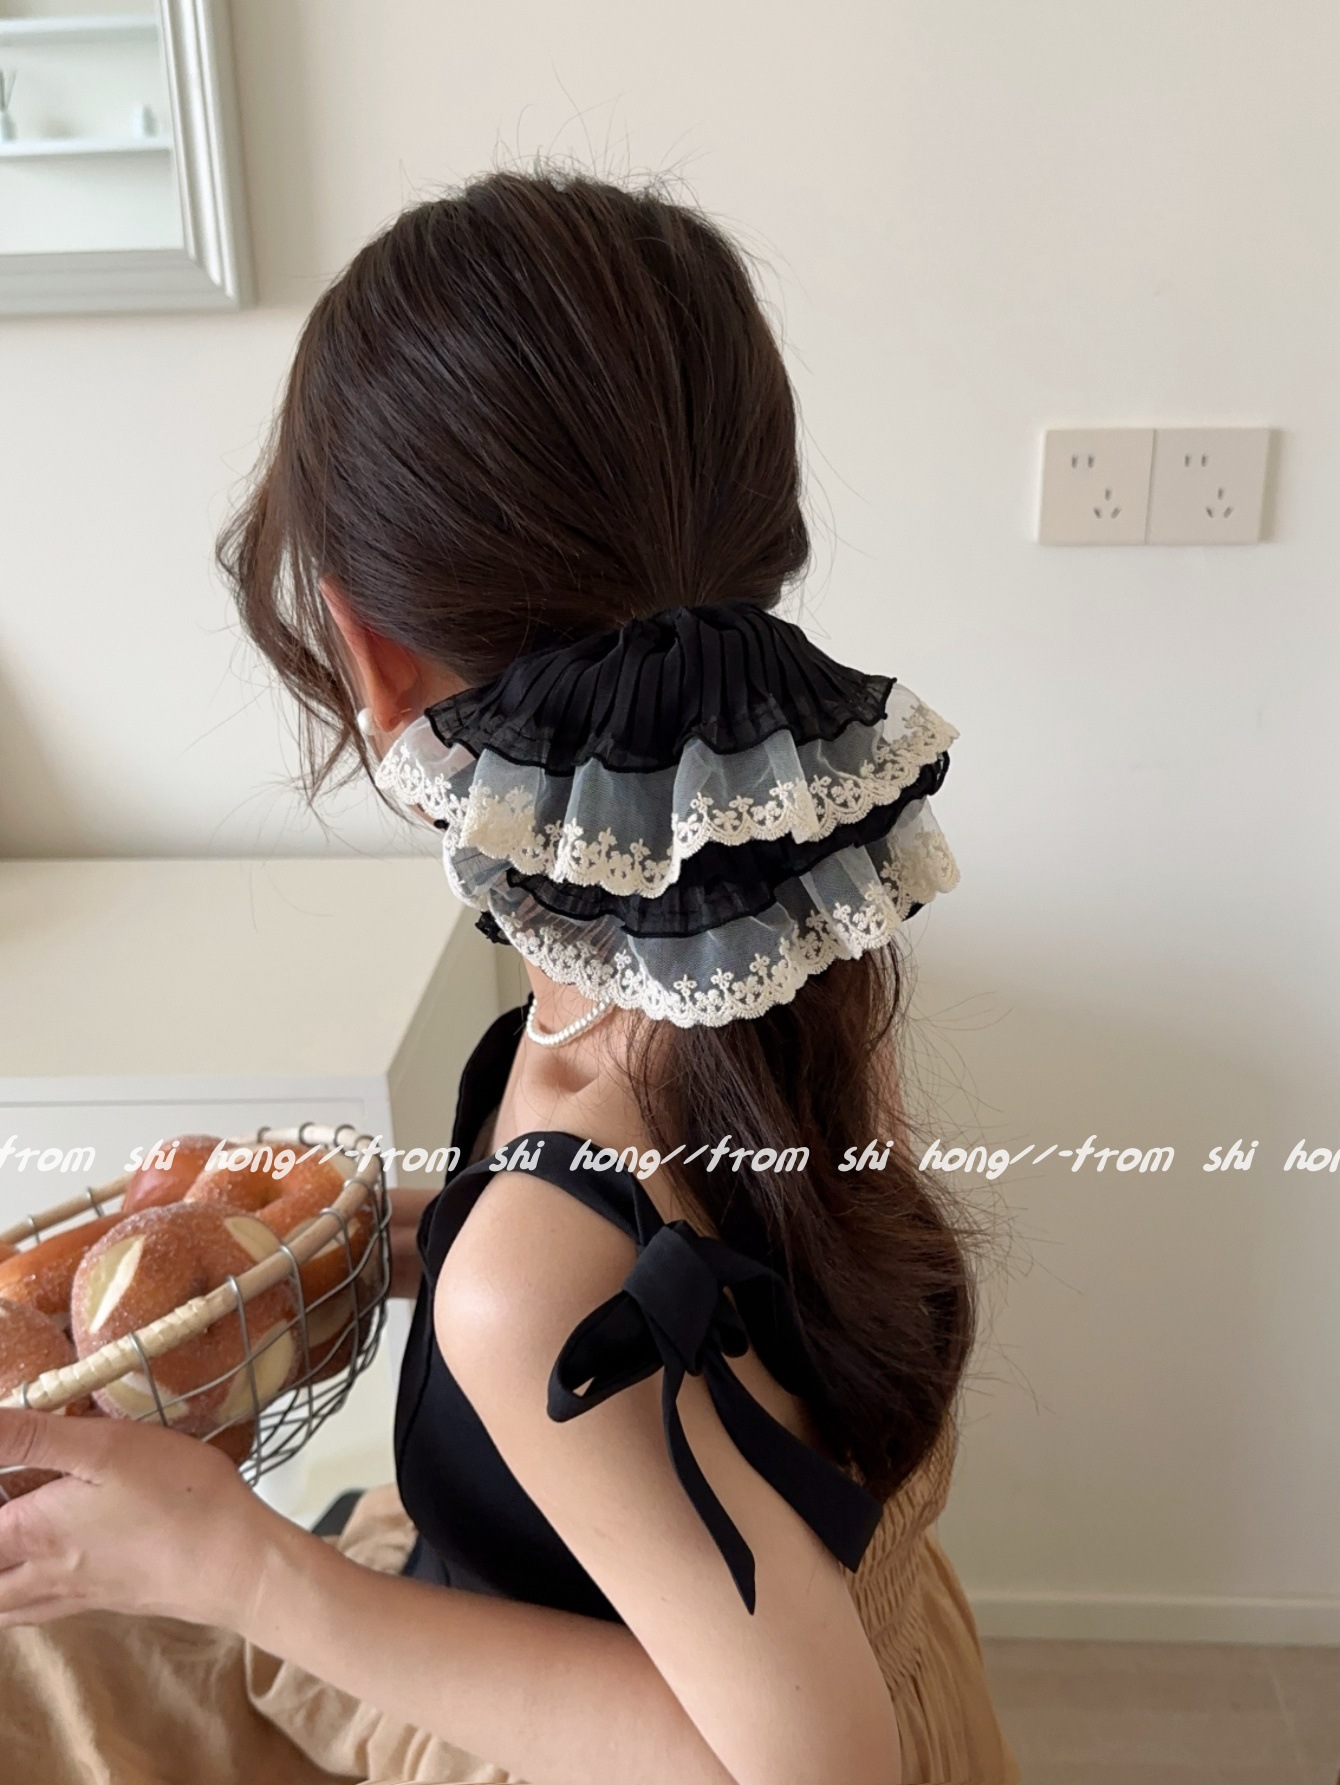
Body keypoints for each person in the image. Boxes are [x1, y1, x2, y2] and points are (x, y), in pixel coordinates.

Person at [0, 170, 1017, 1785]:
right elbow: (710, 1304)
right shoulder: (774, 939)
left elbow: (818, 1766)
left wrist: (242, 1564)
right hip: (834, 1632)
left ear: (370, 656)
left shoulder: (549, 1248)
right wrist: (382, 1244)